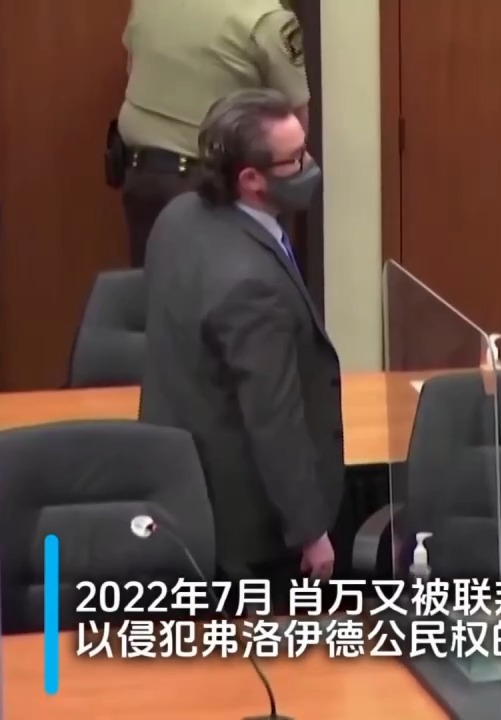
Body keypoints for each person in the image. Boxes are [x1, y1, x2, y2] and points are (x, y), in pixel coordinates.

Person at [139, 89, 338, 601]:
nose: (310, 166)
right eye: (296, 159)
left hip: (181, 489)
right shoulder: (251, 283)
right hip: (250, 526)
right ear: (251, 179)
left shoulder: (180, 216)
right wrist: (310, 531)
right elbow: (274, 418)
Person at [117, 0, 310, 268]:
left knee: (159, 287)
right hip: (216, 191)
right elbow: (293, 125)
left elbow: (132, 68)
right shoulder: (266, 18)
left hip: (144, 176)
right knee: (239, 288)